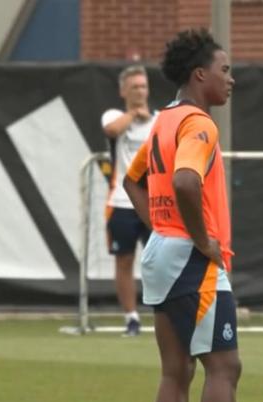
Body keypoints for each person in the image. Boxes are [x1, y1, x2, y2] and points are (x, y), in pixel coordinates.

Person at [123, 29, 263, 402]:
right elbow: (187, 181)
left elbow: (133, 180)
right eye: (225, 70)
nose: (230, 79)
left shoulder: (162, 121)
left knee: (175, 370)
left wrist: (163, 226)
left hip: (161, 253)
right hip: (192, 260)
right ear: (200, 74)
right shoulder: (199, 123)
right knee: (224, 365)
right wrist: (197, 238)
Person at [102, 65, 155, 336]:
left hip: (154, 203)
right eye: (134, 87)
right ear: (124, 91)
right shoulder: (115, 116)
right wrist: (134, 113)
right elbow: (112, 130)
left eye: (143, 86)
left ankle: (166, 312)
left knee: (160, 259)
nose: (140, 92)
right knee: (124, 260)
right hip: (121, 202)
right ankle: (131, 318)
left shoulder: (158, 120)